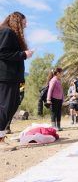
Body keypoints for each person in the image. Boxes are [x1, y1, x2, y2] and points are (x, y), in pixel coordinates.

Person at [0, 12, 33, 150]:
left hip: (12, 77)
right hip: (5, 77)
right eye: (24, 22)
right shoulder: (7, 32)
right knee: (5, 107)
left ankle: (1, 136)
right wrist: (23, 54)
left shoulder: (9, 33)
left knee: (12, 106)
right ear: (18, 21)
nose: (26, 25)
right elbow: (2, 52)